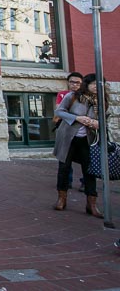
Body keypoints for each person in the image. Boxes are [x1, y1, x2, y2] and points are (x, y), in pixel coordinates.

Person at [53, 73, 103, 218]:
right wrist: (77, 118)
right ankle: (61, 199)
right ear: (86, 85)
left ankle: (91, 204)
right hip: (69, 137)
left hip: (88, 140)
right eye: (93, 84)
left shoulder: (101, 100)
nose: (96, 87)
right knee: (64, 168)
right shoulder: (72, 97)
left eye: (98, 84)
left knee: (89, 171)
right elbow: (59, 112)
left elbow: (106, 118)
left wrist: (97, 123)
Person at [55, 72, 84, 191]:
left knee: (85, 159)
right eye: (71, 82)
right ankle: (67, 182)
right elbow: (59, 111)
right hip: (66, 130)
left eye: (77, 82)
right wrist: (74, 117)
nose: (74, 85)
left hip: (82, 133)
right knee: (65, 158)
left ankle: (85, 182)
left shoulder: (85, 96)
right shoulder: (63, 95)